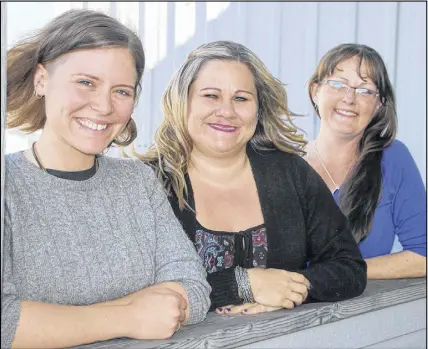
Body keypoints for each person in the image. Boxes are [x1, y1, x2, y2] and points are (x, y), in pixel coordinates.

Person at [2, 9, 211, 349]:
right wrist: (130, 316)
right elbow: (5, 322)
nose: (103, 106)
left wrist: (55, 320)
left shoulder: (137, 182)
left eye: (122, 91)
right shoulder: (7, 185)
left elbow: (194, 288)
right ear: (41, 79)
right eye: (86, 82)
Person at [137, 40, 367, 316]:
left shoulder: (291, 173)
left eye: (241, 98)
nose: (227, 111)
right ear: (182, 101)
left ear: (258, 109)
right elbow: (133, 291)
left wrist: (292, 288)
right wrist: (244, 284)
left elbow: (349, 267)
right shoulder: (146, 183)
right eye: (211, 95)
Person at [304, 43, 426, 279]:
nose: (349, 98)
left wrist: (338, 273)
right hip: (286, 313)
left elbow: (422, 256)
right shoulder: (284, 165)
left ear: (378, 104)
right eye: (338, 84)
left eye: (364, 90)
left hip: (362, 312)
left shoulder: (392, 159)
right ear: (315, 91)